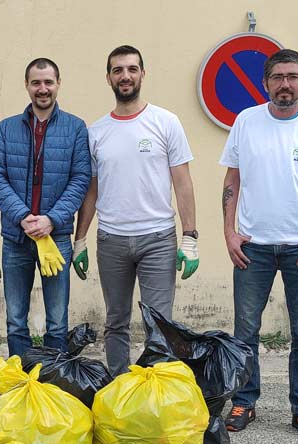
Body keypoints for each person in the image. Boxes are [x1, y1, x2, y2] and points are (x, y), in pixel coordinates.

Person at [219, 49, 298, 442]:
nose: (284, 84)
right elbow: (232, 180)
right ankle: (244, 400)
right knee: (245, 333)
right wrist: (230, 232)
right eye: (277, 77)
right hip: (253, 246)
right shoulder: (246, 121)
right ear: (265, 82)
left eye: (292, 76)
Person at [75, 45, 199, 377]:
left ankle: (156, 392)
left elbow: (183, 183)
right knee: (115, 321)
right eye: (118, 70)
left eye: (132, 69)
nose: (125, 76)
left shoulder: (165, 122)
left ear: (143, 74)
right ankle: (119, 388)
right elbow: (91, 190)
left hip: (157, 239)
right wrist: (80, 239)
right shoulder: (96, 132)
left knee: (159, 323)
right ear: (108, 78)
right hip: (112, 240)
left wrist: (190, 238)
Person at [0, 57, 91, 357]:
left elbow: (81, 178)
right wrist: (21, 217)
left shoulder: (75, 128)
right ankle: (21, 382)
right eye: (36, 83)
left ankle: (53, 384)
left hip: (55, 238)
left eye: (48, 82)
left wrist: (52, 219)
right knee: (15, 320)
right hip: (16, 239)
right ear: (27, 86)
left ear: (58, 84)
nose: (42, 89)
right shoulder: (7, 128)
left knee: (57, 322)